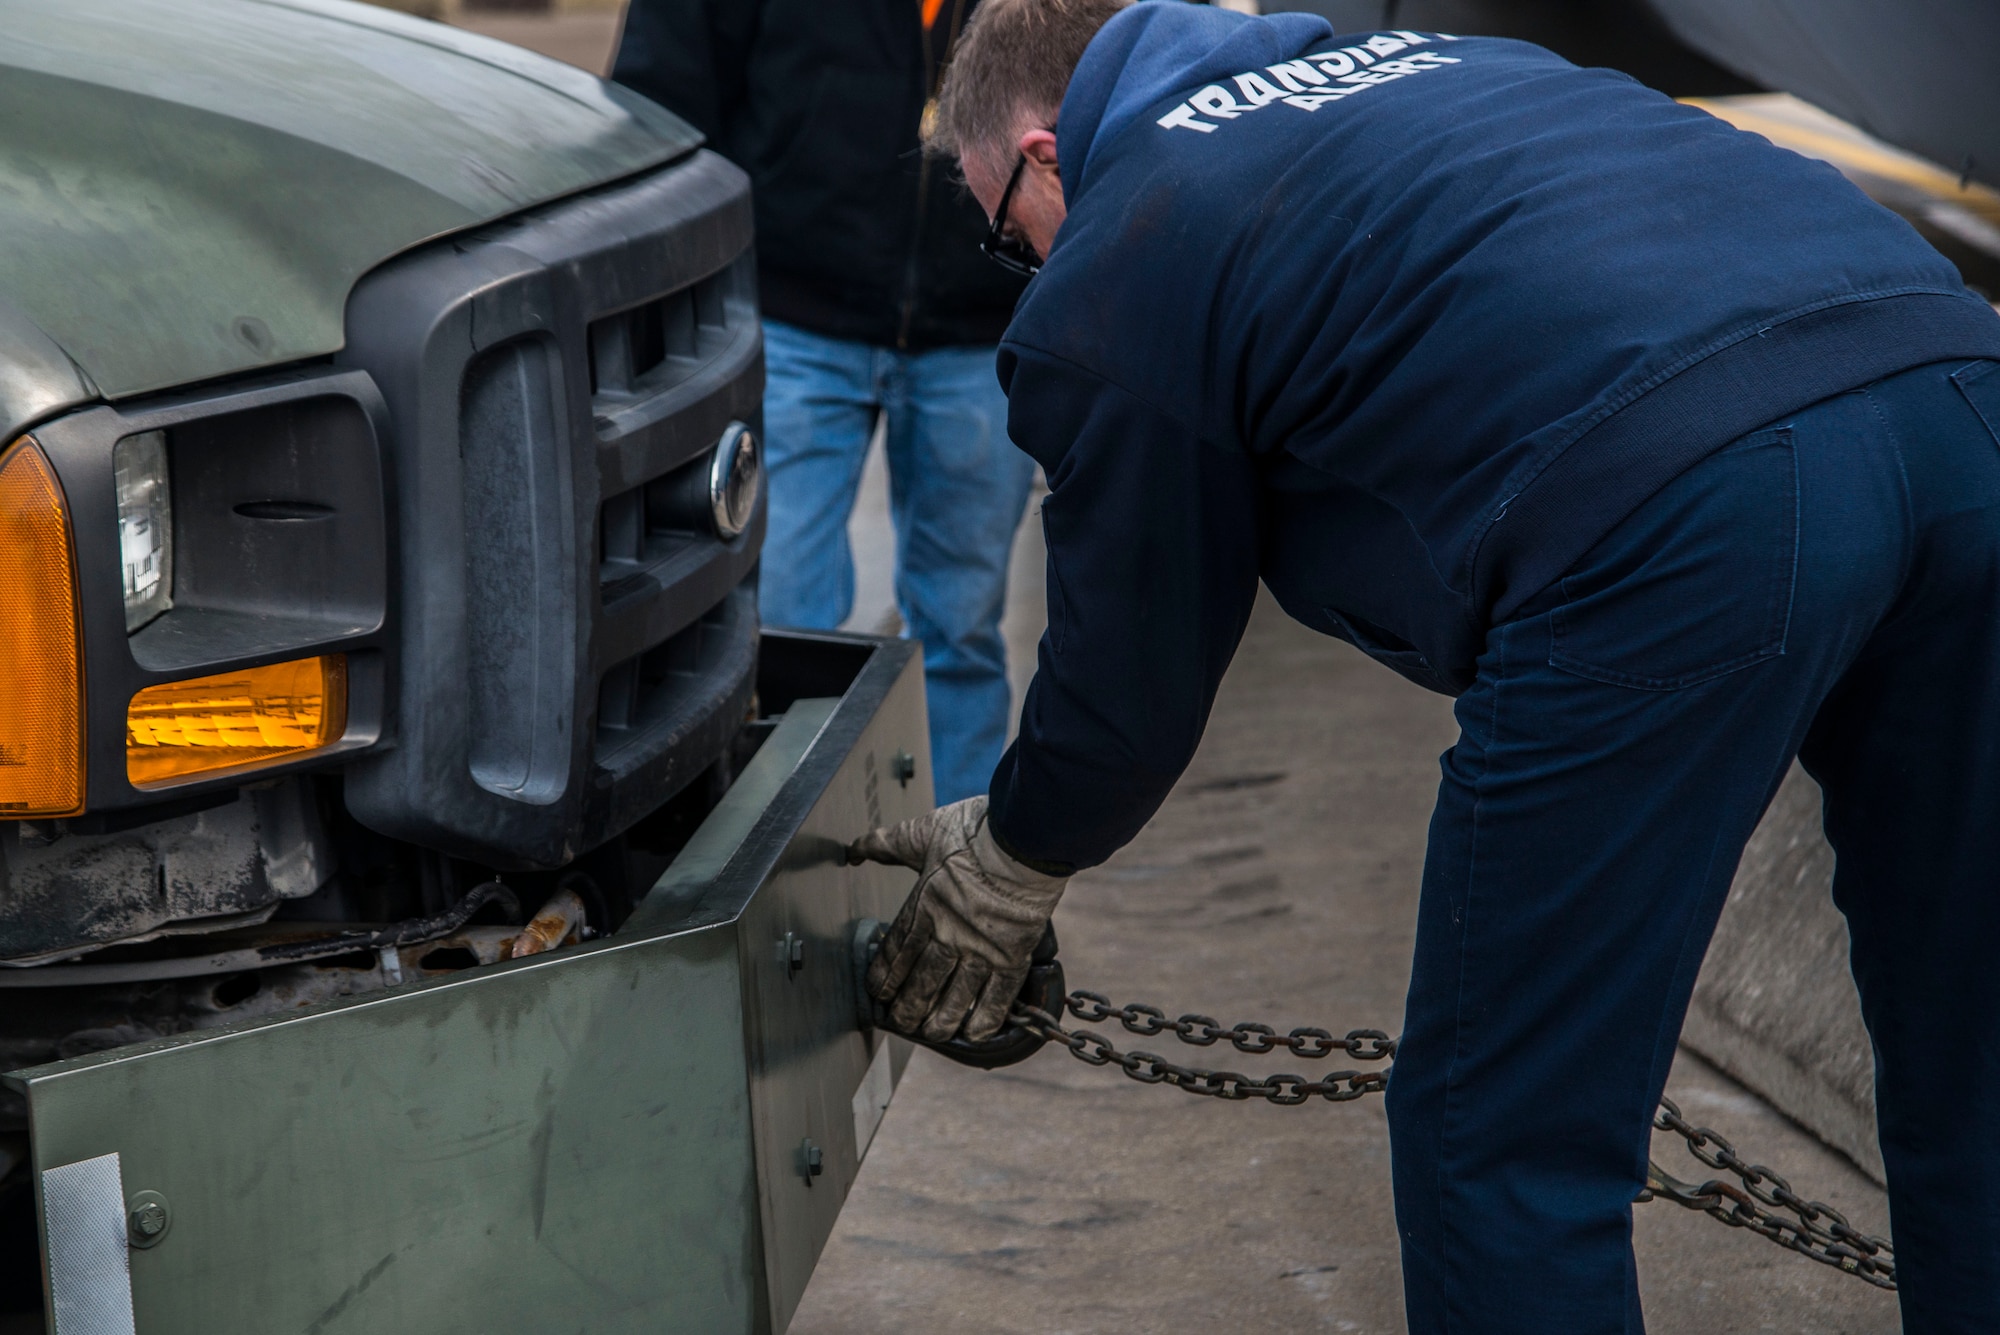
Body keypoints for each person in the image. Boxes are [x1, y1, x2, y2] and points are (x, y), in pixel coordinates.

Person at [846, 0, 2000, 1329]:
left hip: (1693, 511)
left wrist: (1017, 855)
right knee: (1968, 1045)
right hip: (1959, 405)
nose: (1031, 274)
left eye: (1008, 238)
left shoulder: (1132, 236)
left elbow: (1131, 671)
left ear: (1047, 156)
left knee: (1504, 1139)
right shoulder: (1452, 67)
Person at [613, 0, 1039, 805]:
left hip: (984, 326)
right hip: (794, 315)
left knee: (961, 630)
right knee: (781, 624)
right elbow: (660, 105)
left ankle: (951, 882)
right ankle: (789, 863)